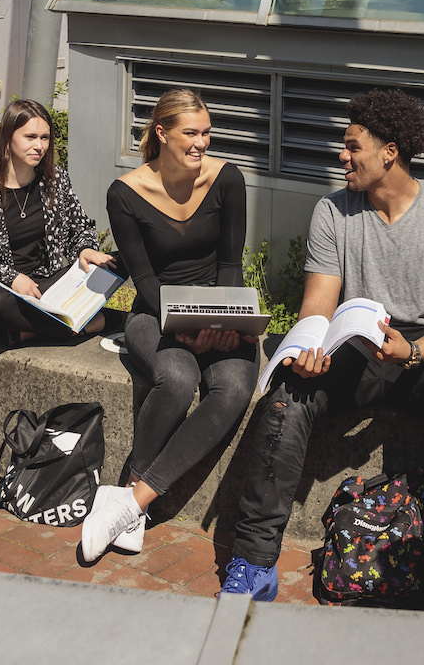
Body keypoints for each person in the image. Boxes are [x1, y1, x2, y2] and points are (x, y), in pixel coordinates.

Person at [221, 88, 424, 615]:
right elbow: (319, 305)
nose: (341, 156)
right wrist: (309, 348)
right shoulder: (332, 212)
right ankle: (254, 565)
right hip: (354, 345)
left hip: (421, 351)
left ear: (390, 152)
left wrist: (414, 350)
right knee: (284, 399)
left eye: (353, 147)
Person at [80, 89, 259, 562]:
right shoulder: (126, 193)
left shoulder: (227, 179)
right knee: (177, 378)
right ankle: (133, 502)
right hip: (155, 311)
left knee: (236, 387)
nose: (201, 143)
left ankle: (129, 501)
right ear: (161, 133)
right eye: (191, 133)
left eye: (206, 133)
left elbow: (230, 264)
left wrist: (222, 320)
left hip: (220, 308)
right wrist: (181, 326)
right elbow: (143, 277)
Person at [0, 97, 113, 345]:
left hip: (48, 284)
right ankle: (94, 322)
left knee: (115, 262)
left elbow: (78, 227)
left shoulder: (54, 179)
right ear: (7, 137)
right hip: (5, 292)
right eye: (30, 137)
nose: (39, 146)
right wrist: (11, 278)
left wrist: (85, 249)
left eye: (45, 138)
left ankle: (26, 332)